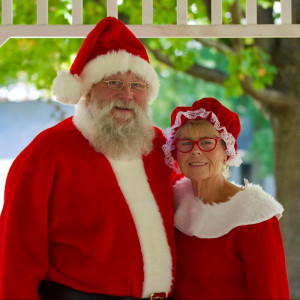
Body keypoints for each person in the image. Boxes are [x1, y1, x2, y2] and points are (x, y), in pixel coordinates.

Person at [0, 17, 177, 300]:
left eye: (138, 85)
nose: (127, 94)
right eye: (114, 82)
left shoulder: (161, 147)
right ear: (89, 89)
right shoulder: (47, 152)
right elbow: (15, 253)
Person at [162, 97, 290, 300]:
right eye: (186, 143)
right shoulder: (173, 203)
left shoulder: (255, 218)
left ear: (226, 151)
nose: (195, 150)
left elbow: (272, 294)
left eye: (206, 142)